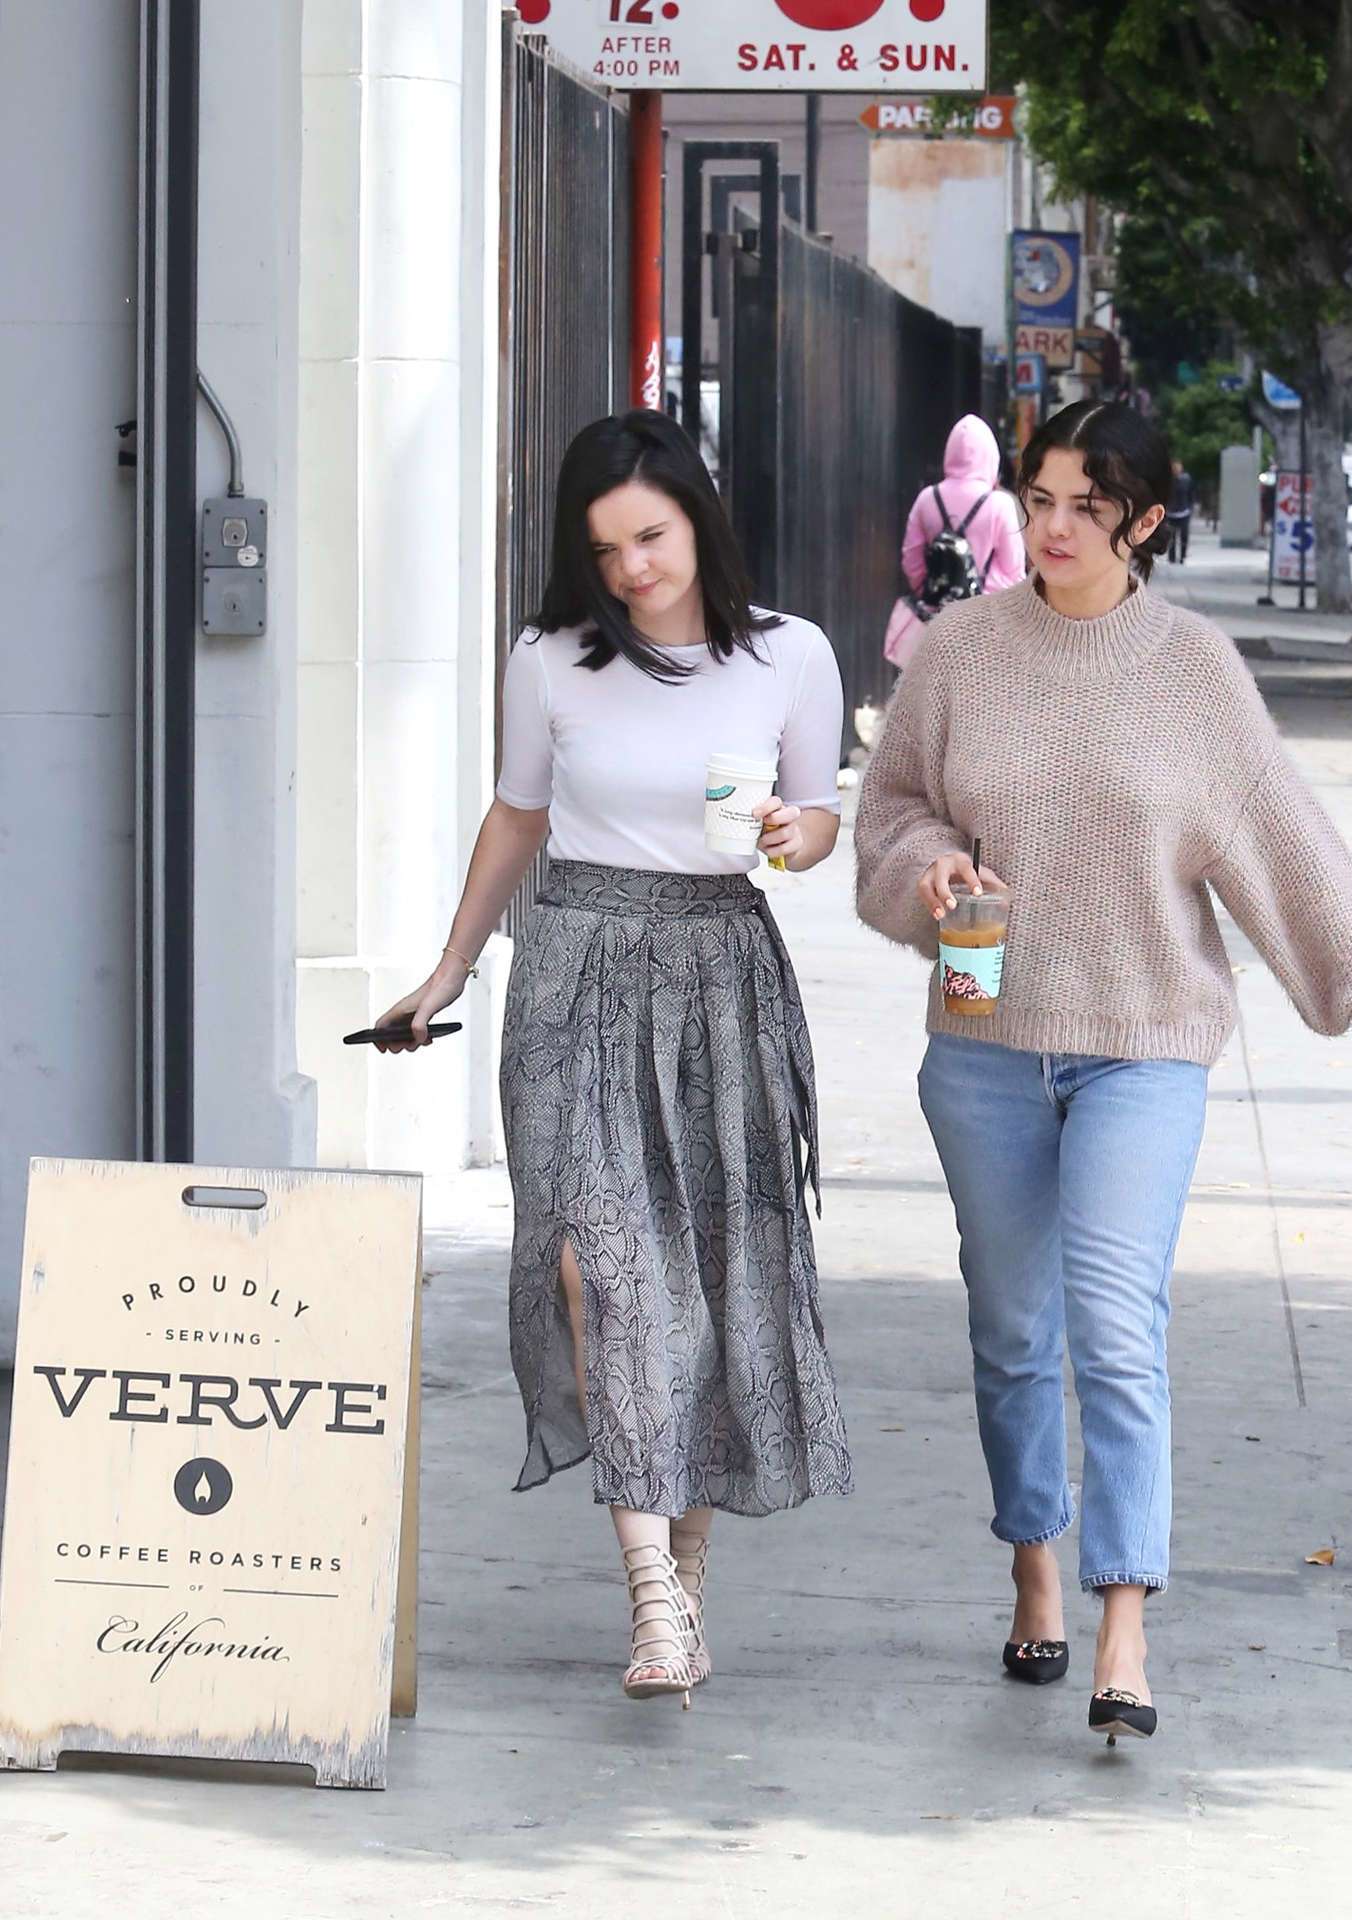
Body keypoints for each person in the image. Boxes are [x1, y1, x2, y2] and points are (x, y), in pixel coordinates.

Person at [854, 399, 1352, 1747]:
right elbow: (892, 809)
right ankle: (1033, 1566)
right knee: (1012, 1333)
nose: (1050, 529)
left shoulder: (1190, 670)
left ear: (1146, 522)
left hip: (1144, 1046)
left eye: (1084, 509)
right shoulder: (959, 651)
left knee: (1115, 1328)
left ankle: (1123, 1620)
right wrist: (930, 866)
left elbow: (1283, 839)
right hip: (984, 1047)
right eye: (1038, 500)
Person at [372, 410, 853, 1708]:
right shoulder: (550, 660)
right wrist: (450, 968)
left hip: (720, 972)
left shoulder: (789, 656)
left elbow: (817, 819)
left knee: (706, 1277)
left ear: (697, 516)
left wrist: (790, 833)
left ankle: (682, 1578)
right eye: (605, 550)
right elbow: (516, 814)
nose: (633, 568)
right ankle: (650, 1591)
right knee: (599, 1270)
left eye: (650, 535)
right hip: (574, 968)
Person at [883, 413, 1026, 671]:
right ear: (991, 457)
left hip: (934, 626)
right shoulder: (1000, 505)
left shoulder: (927, 499)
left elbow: (911, 561)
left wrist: (935, 596)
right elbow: (1013, 572)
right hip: (987, 630)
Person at [1165, 457, 1196, 563]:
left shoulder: (1187, 480)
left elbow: (1191, 494)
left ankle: (1183, 556)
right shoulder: (1167, 480)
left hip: (1184, 512)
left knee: (1184, 536)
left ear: (1181, 468)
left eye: (1178, 467)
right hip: (1170, 513)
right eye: (1174, 467)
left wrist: (1190, 508)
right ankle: (1171, 558)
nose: (1176, 469)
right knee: (1171, 537)